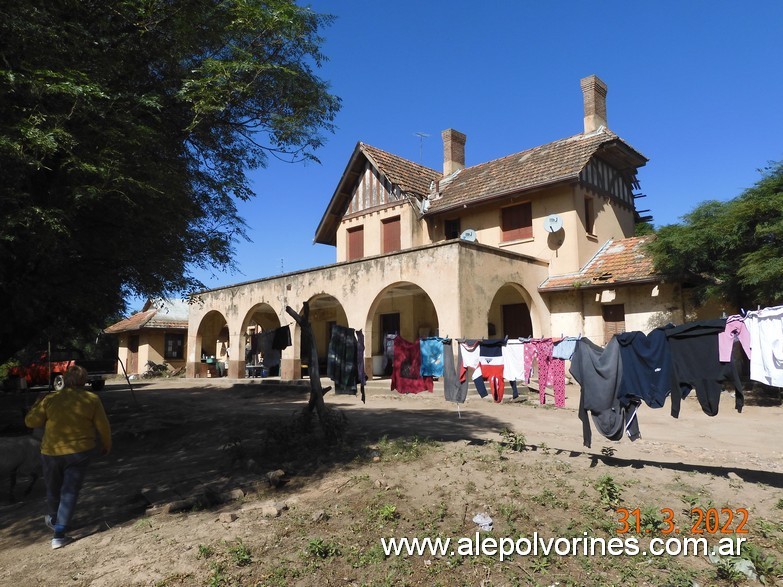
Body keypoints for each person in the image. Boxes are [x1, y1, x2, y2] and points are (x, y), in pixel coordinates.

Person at [24, 365, 112, 549]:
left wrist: (37, 403)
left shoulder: (51, 399)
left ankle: (55, 518)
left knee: (53, 488)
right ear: (84, 380)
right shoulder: (91, 399)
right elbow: (103, 426)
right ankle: (59, 533)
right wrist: (106, 444)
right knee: (70, 491)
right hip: (80, 452)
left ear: (65, 379)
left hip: (50, 452)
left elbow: (31, 421)